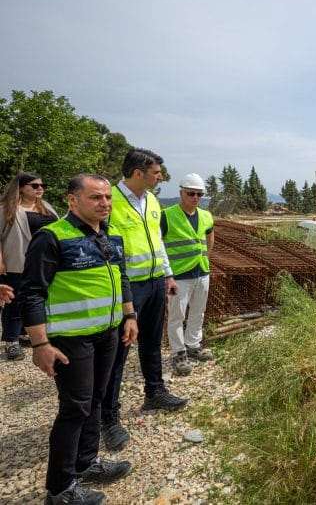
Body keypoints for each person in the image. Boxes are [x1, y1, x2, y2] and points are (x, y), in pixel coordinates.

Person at [20, 174, 138, 505]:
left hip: (108, 333)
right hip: (72, 339)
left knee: (96, 400)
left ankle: (87, 463)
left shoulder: (110, 236)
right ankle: (60, 489)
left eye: (108, 197)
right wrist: (40, 344)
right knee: (74, 409)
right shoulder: (52, 237)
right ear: (72, 200)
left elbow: (122, 278)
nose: (105, 203)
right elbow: (32, 293)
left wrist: (130, 316)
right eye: (95, 197)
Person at [100, 148, 187, 453]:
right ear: (138, 173)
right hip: (127, 287)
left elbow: (158, 241)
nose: (160, 177)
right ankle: (108, 418)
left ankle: (155, 392)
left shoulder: (151, 201)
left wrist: (168, 274)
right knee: (118, 352)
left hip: (154, 283)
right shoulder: (109, 201)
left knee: (151, 342)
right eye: (156, 173)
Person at [0, 172, 59, 360]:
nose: (40, 188)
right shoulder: (6, 209)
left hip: (46, 263)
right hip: (18, 262)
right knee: (15, 302)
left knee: (37, 300)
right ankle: (11, 342)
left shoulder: (47, 207)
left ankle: (25, 334)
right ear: (21, 188)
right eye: (34, 185)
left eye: (42, 185)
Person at [161, 173, 215, 376]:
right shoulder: (167, 215)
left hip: (202, 271)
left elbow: (210, 238)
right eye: (191, 193)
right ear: (181, 192)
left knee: (198, 311)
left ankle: (193, 344)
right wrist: (167, 274)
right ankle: (178, 352)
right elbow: (158, 245)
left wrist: (205, 258)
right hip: (178, 275)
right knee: (176, 315)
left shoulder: (206, 216)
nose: (195, 197)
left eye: (199, 194)